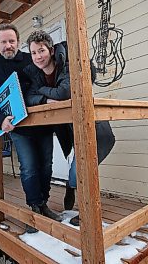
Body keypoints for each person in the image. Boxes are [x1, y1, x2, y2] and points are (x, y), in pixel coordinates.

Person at [24, 30, 115, 226]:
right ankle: (76, 191)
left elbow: (65, 92)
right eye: (33, 53)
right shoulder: (34, 73)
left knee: (83, 169)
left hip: (94, 126)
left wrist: (42, 92)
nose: (38, 57)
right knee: (80, 166)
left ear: (50, 50)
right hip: (70, 127)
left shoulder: (66, 63)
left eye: (41, 51)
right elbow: (28, 97)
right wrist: (45, 98)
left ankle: (85, 210)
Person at [0, 23, 61, 234]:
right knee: (29, 167)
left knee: (46, 165)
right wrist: (0, 120)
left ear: (17, 41)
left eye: (12, 41)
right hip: (18, 128)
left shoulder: (30, 59)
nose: (8, 45)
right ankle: (34, 207)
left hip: (42, 124)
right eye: (4, 42)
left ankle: (44, 203)